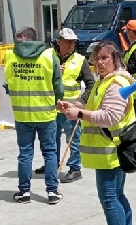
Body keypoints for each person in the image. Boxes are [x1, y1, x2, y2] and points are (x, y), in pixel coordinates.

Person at [58, 41, 136, 225]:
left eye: (105, 58)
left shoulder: (116, 84)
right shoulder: (106, 81)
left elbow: (110, 116)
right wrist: (72, 106)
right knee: (118, 196)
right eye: (97, 59)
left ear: (115, 59)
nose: (100, 63)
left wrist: (80, 114)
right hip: (110, 150)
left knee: (110, 198)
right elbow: (90, 99)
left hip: (109, 151)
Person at [5, 26, 64, 204]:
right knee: (50, 153)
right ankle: (52, 192)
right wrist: (56, 100)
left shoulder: (10, 56)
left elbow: (8, 84)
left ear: (23, 38)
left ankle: (24, 192)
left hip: (23, 115)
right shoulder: (49, 56)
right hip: (46, 114)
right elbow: (58, 87)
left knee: (25, 154)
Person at [34, 28, 95, 184]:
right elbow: (37, 77)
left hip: (70, 109)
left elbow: (90, 83)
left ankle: (75, 168)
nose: (71, 44)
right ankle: (51, 164)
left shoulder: (80, 60)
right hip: (51, 106)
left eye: (73, 41)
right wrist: (52, 72)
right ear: (59, 41)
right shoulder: (46, 56)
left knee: (73, 138)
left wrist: (80, 102)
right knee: (50, 138)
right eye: (68, 41)